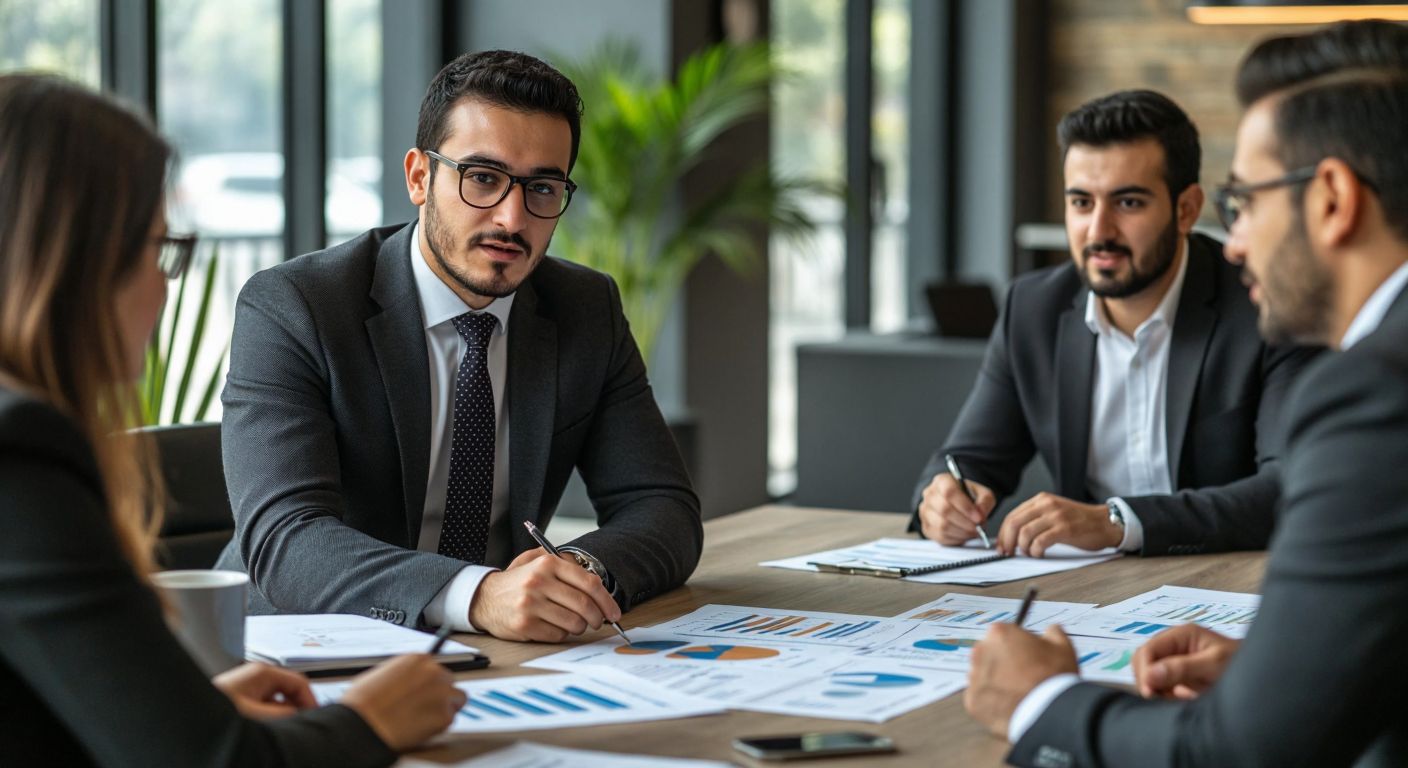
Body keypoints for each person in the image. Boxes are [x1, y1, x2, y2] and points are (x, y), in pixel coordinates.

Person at [963, 19, 1408, 768]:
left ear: (1332, 199)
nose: (1235, 243)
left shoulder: (1375, 394)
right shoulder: (1035, 307)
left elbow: (1234, 754)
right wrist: (1291, 669)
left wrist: (1041, 702)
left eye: (1248, 202)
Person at [0, 74, 464, 767]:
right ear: (78, 261)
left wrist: (187, 706)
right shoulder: (20, 461)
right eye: (157, 248)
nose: (164, 283)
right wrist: (369, 718)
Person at [213, 49, 701, 642]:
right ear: (420, 177)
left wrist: (572, 574)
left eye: (542, 187)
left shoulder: (584, 307)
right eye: (484, 179)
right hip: (307, 649)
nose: (513, 217)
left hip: (498, 651)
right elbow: (286, 539)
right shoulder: (296, 306)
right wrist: (476, 594)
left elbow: (663, 508)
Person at [911, 89, 1318, 558]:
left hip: (1229, 589)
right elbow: (968, 460)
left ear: (1186, 209)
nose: (1099, 232)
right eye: (1081, 203)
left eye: (1127, 203)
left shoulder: (1265, 309)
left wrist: (1116, 522)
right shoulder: (1033, 309)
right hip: (1088, 597)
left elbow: (1287, 489)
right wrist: (945, 500)